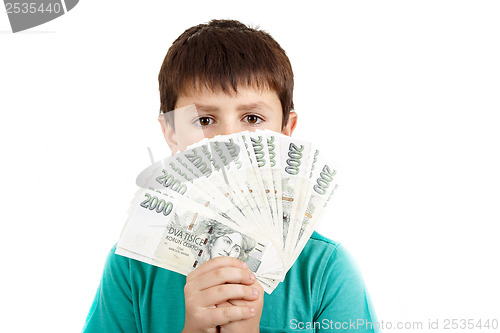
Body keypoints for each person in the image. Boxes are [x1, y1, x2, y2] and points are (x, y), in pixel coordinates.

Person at [83, 19, 379, 332]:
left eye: (252, 118)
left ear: (285, 132)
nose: (230, 142)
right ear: (171, 133)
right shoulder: (131, 265)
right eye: (205, 119)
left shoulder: (326, 270)